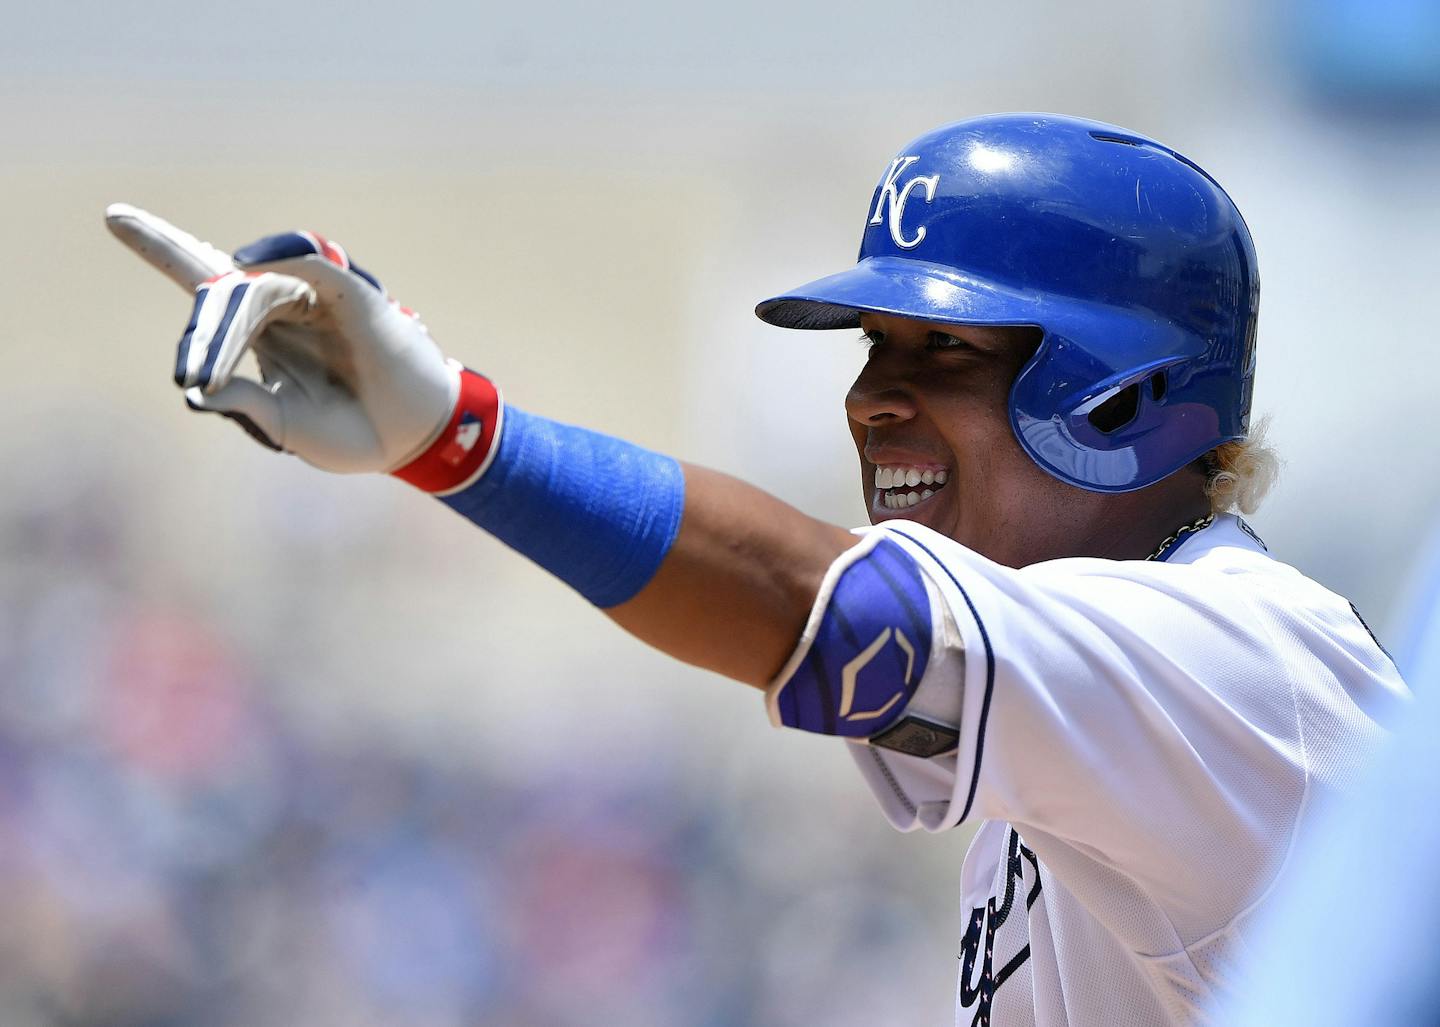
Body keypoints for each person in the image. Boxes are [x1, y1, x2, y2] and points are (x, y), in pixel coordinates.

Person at [107, 113, 1407, 1026]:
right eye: (874, 352)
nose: (873, 404)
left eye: (945, 355)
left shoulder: (1234, 660)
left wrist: (458, 437)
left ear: (1124, 400)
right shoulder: (1118, 695)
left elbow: (818, 609)